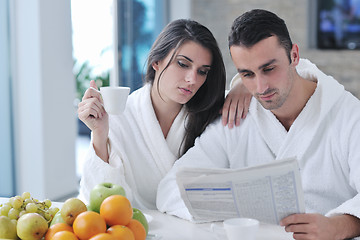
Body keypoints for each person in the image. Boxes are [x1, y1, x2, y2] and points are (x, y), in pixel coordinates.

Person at [156, 9, 360, 239]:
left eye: (269, 69)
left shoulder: (349, 116)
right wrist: (234, 214)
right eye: (247, 74)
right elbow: (171, 189)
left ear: (294, 55)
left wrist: (338, 227)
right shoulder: (237, 116)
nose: (261, 87)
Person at [77, 19, 249, 210]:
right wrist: (99, 134)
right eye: (183, 64)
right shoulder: (121, 114)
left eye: (202, 71)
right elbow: (98, 200)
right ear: (156, 61)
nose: (192, 79)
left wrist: (244, 84)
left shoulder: (212, 110)